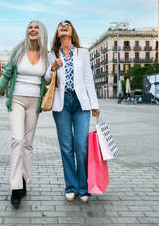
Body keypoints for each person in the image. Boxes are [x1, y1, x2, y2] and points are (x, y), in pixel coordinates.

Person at [0, 20, 48, 208]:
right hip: (18, 100)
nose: (33, 30)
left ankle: (23, 179)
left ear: (41, 32)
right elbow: (6, 75)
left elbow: (48, 78)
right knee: (17, 140)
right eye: (30, 27)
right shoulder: (18, 51)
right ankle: (15, 187)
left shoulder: (46, 54)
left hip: (35, 102)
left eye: (36, 27)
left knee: (28, 144)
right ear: (27, 31)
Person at [45, 20, 100, 203]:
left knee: (81, 147)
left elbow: (88, 79)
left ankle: (83, 187)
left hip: (81, 103)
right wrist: (52, 68)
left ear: (72, 31)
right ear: (58, 32)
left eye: (67, 25)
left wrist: (95, 104)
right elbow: (45, 79)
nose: (63, 26)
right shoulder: (52, 54)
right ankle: (71, 186)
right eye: (60, 25)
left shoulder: (82, 52)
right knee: (66, 147)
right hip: (61, 104)